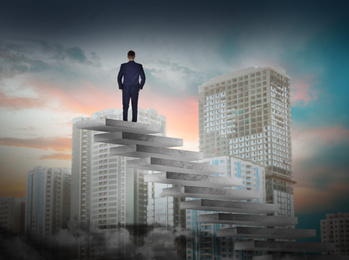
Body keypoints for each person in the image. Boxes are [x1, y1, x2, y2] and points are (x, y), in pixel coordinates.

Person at [117, 50, 146, 122]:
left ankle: (125, 122)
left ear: (127, 57)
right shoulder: (139, 66)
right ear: (134, 56)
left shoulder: (123, 66)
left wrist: (121, 87)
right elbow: (143, 78)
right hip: (135, 88)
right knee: (134, 107)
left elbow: (119, 77)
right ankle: (134, 123)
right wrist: (140, 86)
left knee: (125, 107)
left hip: (126, 88)